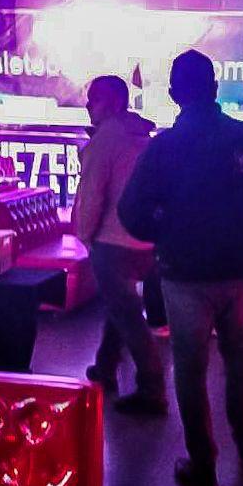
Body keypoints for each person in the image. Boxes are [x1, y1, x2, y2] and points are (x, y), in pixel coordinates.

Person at [118, 50, 243, 486]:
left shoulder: (163, 147)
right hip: (241, 271)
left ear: (174, 93)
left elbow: (130, 211)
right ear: (215, 88)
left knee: (191, 367)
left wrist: (165, 232)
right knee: (242, 356)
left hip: (185, 273)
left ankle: (203, 464)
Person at [73, 75, 167, 416]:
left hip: (111, 240)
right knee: (120, 306)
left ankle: (152, 388)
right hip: (145, 240)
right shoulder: (142, 135)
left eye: (94, 99)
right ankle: (105, 366)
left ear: (111, 103)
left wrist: (85, 235)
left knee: (128, 316)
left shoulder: (106, 140)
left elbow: (93, 195)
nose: (88, 106)